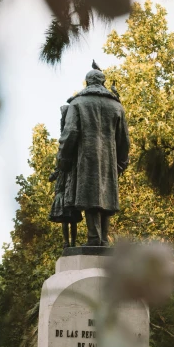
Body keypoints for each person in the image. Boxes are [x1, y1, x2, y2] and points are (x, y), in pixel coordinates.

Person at [56, 68, 130, 247]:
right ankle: (102, 239)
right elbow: (124, 139)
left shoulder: (78, 103)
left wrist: (63, 158)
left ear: (87, 82)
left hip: (86, 158)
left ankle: (94, 238)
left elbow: (70, 132)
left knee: (90, 195)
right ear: (103, 83)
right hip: (109, 160)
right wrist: (121, 162)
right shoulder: (116, 106)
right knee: (105, 195)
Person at [49, 104, 82, 248]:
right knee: (66, 219)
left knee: (71, 219)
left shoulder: (69, 154)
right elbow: (58, 169)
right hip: (64, 189)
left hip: (69, 189)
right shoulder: (63, 159)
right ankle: (67, 242)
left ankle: (70, 242)